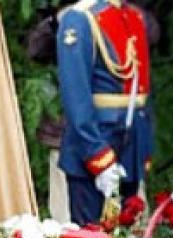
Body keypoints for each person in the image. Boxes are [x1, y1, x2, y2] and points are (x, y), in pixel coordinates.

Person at [56, 0, 153, 225]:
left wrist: (144, 147)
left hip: (130, 145)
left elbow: (142, 93)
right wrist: (97, 156)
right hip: (95, 141)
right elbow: (76, 96)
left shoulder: (131, 17)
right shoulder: (80, 18)